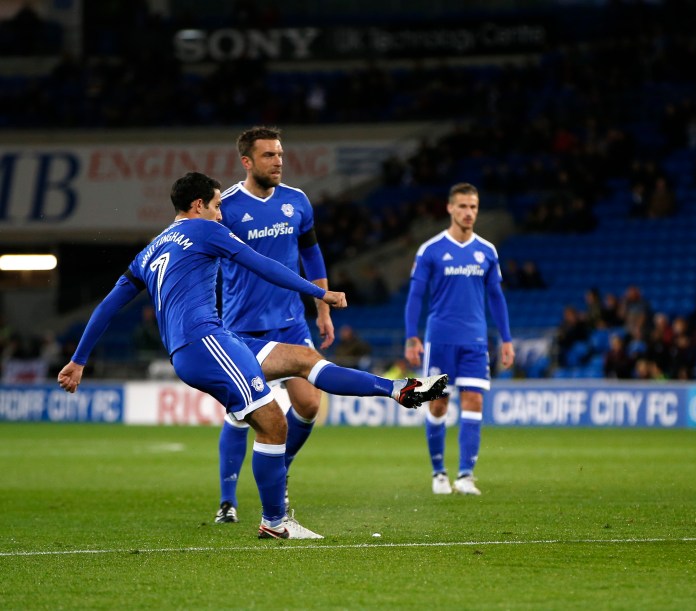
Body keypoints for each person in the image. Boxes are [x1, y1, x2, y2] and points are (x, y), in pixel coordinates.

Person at [58, 172, 448, 539]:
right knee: (273, 422)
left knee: (303, 360)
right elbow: (262, 265)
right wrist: (321, 294)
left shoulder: (151, 249)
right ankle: (274, 521)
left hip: (210, 342)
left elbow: (108, 306)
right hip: (205, 344)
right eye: (214, 205)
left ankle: (398, 389)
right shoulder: (206, 229)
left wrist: (78, 359)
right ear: (197, 206)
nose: (220, 213)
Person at [215, 126, 335, 525]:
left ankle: (278, 470)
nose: (278, 161)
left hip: (290, 323)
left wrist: (322, 308)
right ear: (247, 162)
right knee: (240, 414)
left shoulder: (297, 202)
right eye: (268, 155)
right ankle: (227, 501)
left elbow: (312, 256)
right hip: (243, 327)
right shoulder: (227, 207)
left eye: (280, 154)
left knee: (309, 404)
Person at [404, 182, 514, 496]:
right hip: (440, 341)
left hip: (476, 341)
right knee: (438, 405)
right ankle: (439, 472)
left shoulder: (487, 251)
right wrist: (412, 337)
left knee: (474, 400)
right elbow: (415, 296)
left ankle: (466, 475)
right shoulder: (431, 250)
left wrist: (506, 338)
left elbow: (496, 296)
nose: (469, 213)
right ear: (450, 208)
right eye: (463, 206)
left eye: (474, 207)